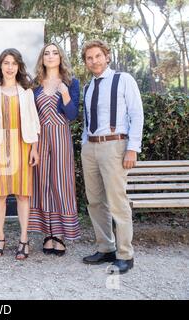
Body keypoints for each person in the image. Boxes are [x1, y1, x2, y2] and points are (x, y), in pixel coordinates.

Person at [80, 39, 144, 274]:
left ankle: (125, 254)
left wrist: (132, 148)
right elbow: (88, 121)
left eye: (98, 56)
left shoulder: (123, 79)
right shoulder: (88, 87)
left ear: (107, 56)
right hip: (91, 147)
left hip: (115, 146)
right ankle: (106, 247)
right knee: (95, 200)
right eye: (89, 58)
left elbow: (137, 114)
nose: (94, 61)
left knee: (118, 202)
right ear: (86, 62)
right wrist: (85, 145)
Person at [0, 48, 40, 260]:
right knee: (0, 195)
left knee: (23, 194)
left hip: (23, 145)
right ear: (0, 66)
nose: (9, 67)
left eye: (13, 63)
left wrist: (34, 149)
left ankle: (24, 239)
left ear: (18, 67)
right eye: (6, 63)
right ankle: (1, 237)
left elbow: (34, 122)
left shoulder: (27, 92)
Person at [28, 43, 81, 256]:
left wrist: (65, 93)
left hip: (61, 135)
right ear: (42, 58)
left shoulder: (71, 82)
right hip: (40, 137)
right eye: (47, 53)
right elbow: (31, 116)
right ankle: (47, 233)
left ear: (61, 57)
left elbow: (72, 114)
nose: (50, 56)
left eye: (55, 53)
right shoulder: (35, 85)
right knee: (42, 183)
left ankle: (60, 234)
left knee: (61, 182)